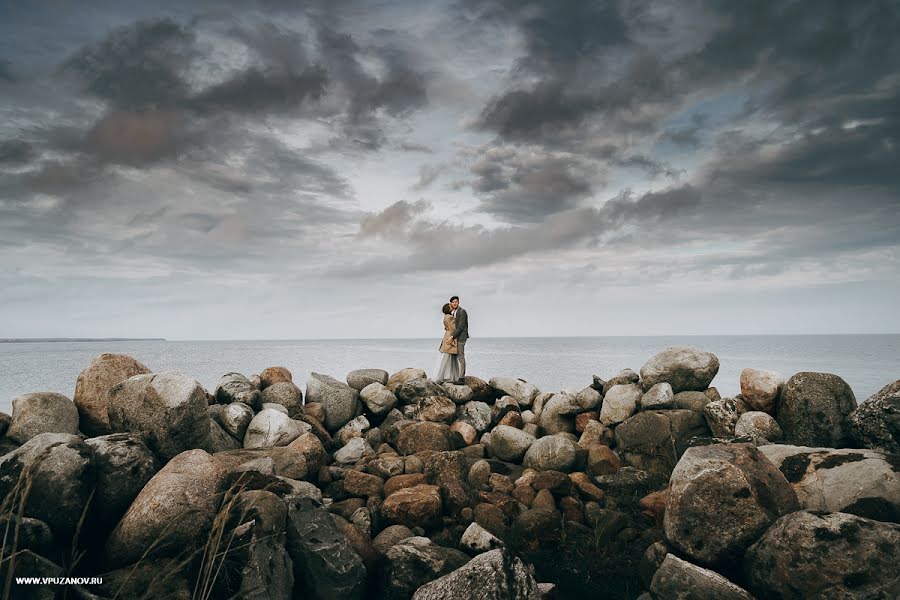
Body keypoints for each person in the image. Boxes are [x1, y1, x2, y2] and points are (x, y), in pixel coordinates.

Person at [432, 302, 459, 382]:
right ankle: (445, 377)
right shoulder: (450, 317)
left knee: (449, 357)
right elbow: (454, 328)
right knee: (448, 357)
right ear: (448, 308)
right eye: (450, 306)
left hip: (448, 335)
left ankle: (451, 377)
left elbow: (447, 326)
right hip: (450, 337)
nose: (452, 307)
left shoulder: (446, 316)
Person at [449, 295, 468, 384]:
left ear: (458, 302)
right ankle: (456, 375)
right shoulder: (454, 312)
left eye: (456, 301)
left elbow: (461, 327)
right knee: (456, 356)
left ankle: (461, 378)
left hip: (461, 337)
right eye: (453, 302)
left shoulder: (462, 311)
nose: (454, 303)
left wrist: (452, 336)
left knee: (461, 356)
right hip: (457, 336)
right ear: (451, 304)